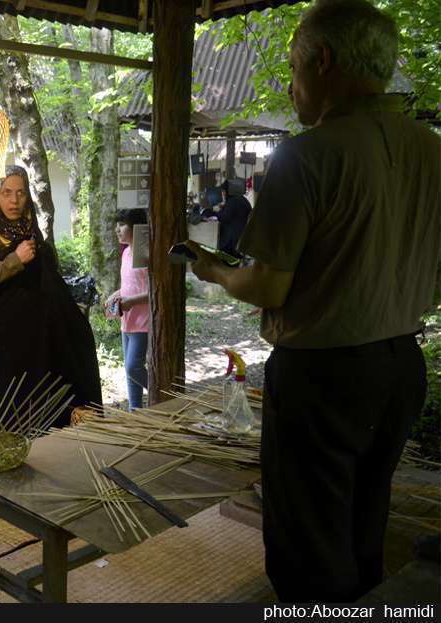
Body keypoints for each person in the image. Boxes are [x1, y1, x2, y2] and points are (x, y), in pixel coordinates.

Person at [187, 0, 440, 602]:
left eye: (295, 67)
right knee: (364, 519)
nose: (292, 85)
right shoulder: (431, 150)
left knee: (309, 541)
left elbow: (269, 286)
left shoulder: (308, 154)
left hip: (324, 376)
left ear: (323, 61)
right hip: (402, 366)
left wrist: (215, 273)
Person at [0, 165, 101, 428]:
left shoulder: (26, 224)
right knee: (6, 396)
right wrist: (15, 259)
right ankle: (5, 449)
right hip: (1, 335)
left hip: (32, 332)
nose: (14, 201)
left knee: (39, 389)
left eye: (21, 193)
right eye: (7, 193)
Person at [104, 209, 149, 410]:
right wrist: (116, 294)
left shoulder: (146, 254)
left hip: (143, 322)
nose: (117, 230)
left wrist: (131, 301)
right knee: (129, 370)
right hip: (127, 321)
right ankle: (135, 411)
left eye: (122, 225)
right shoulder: (126, 253)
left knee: (133, 367)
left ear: (137, 229)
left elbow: (154, 292)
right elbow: (130, 284)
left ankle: (162, 392)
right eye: (117, 225)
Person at [209, 179, 251, 259]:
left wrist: (216, 212)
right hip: (242, 236)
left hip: (232, 240)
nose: (223, 194)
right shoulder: (243, 200)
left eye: (224, 191)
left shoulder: (232, 201)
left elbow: (224, 218)